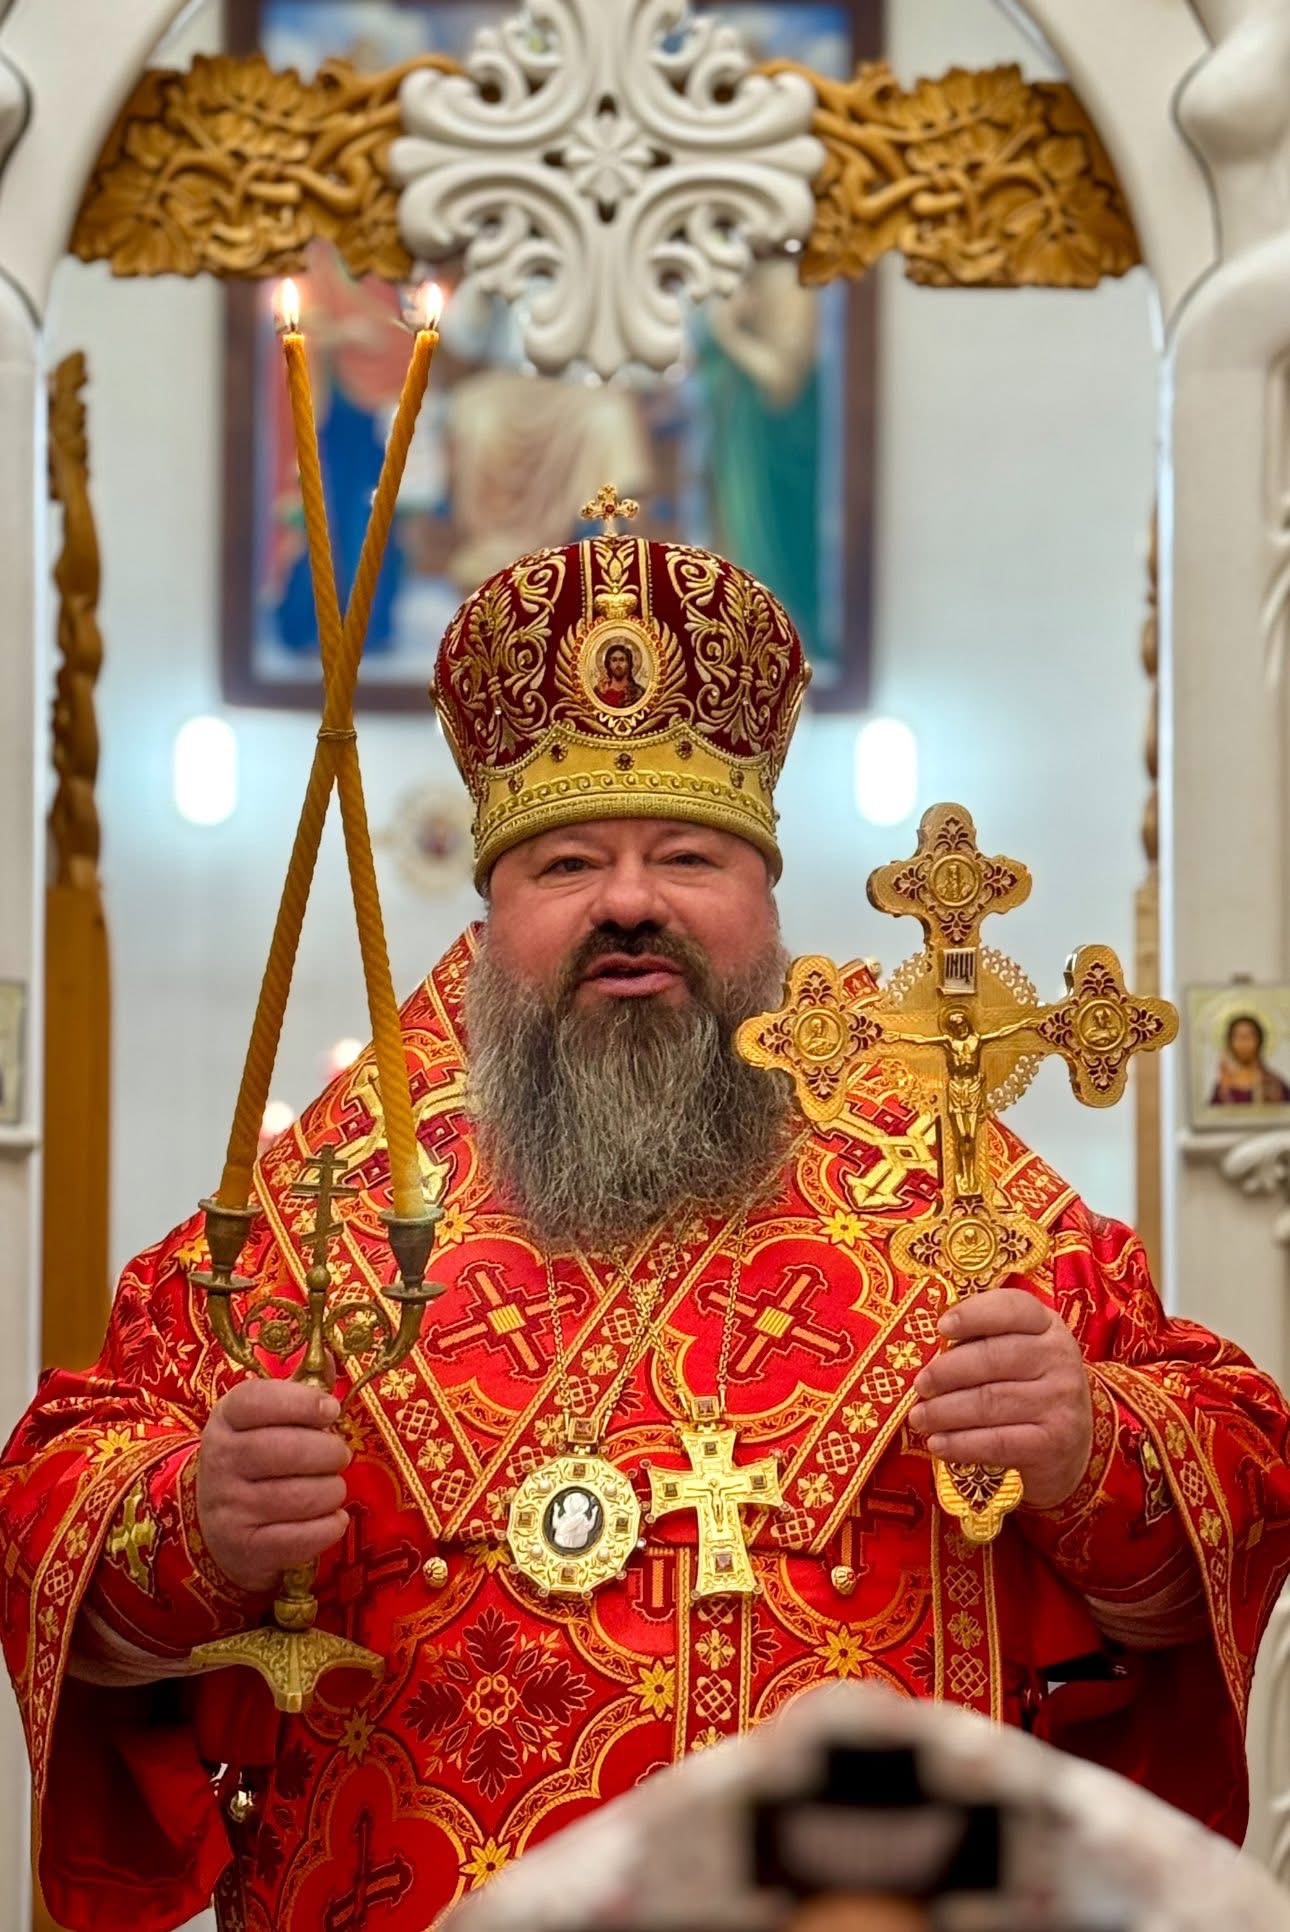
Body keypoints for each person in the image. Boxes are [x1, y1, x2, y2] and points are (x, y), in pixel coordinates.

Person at [2, 511, 1289, 1932]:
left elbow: (1238, 1455)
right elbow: (53, 1491)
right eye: (565, 866)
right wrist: (194, 1523)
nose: (628, 903)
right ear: (488, 911)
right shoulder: (331, 1202)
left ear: (765, 896)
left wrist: (1091, 1447)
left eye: (686, 857)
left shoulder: (941, 1171)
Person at [1209, 1011, 1290, 1106]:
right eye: (1237, 1036)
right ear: (1230, 1043)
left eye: (1249, 1036)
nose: (1243, 1041)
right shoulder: (1223, 1088)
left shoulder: (1276, 1085)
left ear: (1259, 1041)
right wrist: (1224, 1092)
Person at [594, 639, 645, 707]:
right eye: (614, 660)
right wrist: (602, 694)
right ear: (609, 664)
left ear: (628, 664)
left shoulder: (639, 693)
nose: (618, 664)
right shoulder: (599, 692)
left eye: (622, 660)